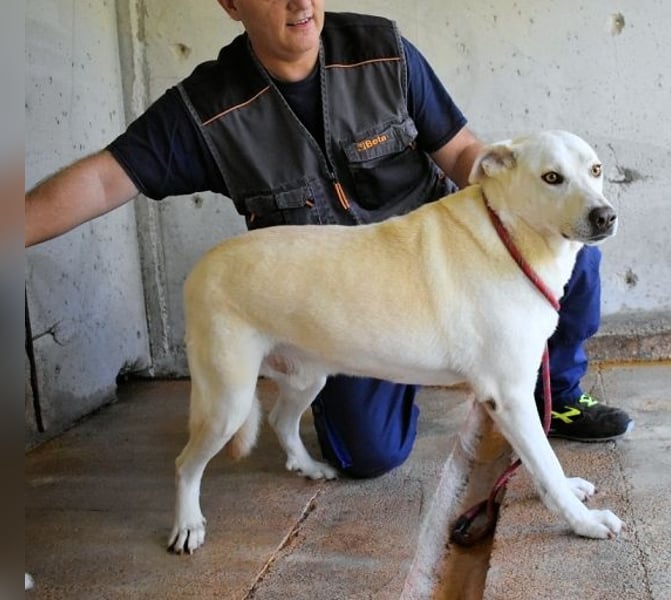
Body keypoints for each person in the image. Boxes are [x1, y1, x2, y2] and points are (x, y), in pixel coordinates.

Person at [25, 0, 633, 479]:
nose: (300, 2)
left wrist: (531, 195)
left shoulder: (382, 50)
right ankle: (436, 372)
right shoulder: (205, 110)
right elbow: (104, 179)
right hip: (348, 306)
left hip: (442, 268)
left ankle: (555, 391)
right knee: (369, 455)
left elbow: (460, 152)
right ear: (230, 3)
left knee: (570, 244)